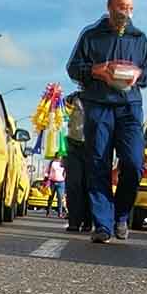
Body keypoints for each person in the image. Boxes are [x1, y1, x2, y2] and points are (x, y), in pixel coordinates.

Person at [65, 0, 147, 243]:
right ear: (109, 7)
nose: (125, 13)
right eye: (121, 7)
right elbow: (73, 68)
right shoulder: (91, 36)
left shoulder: (139, 39)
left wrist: (137, 75)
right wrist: (96, 70)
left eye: (129, 8)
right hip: (99, 106)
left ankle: (121, 215)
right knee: (98, 164)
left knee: (134, 163)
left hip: (129, 107)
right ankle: (103, 225)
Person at [63, 90, 91, 233]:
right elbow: (62, 110)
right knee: (74, 183)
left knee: (89, 185)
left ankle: (88, 220)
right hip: (74, 145)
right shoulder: (73, 98)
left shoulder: (102, 97)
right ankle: (74, 221)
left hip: (93, 146)